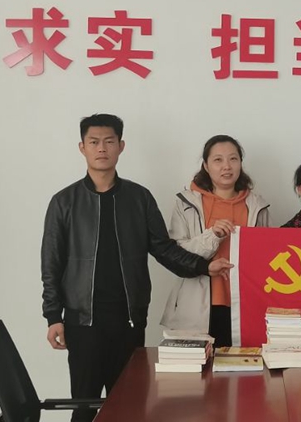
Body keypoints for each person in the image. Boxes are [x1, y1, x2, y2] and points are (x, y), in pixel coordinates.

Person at [41, 114, 232, 422]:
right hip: (81, 323)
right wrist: (53, 316)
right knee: (84, 407)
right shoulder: (64, 202)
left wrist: (203, 266)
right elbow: (51, 264)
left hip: (128, 321)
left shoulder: (139, 198)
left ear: (121, 146)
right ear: (82, 147)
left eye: (109, 141)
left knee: (130, 408)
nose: (101, 148)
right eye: (94, 142)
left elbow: (164, 249)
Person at [161, 135, 270, 347]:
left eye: (233, 159)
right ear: (206, 165)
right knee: (199, 367)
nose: (226, 166)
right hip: (197, 304)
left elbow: (267, 257)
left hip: (245, 304)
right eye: (218, 160)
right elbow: (176, 254)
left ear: (240, 163)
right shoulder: (186, 203)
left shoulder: (258, 206)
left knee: (242, 366)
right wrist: (213, 236)